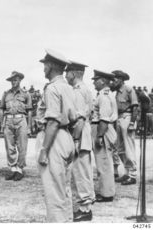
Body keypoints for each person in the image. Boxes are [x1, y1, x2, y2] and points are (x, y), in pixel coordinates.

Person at [35, 50, 77, 222]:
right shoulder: (68, 87)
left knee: (53, 192)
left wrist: (44, 150)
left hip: (53, 139)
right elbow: (74, 118)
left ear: (51, 66)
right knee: (64, 189)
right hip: (66, 136)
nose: (43, 68)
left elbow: (52, 121)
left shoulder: (52, 88)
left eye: (45, 64)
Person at [65, 60, 95, 222]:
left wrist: (75, 139)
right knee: (84, 171)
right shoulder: (84, 89)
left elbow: (80, 119)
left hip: (80, 134)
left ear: (74, 73)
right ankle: (86, 205)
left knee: (80, 172)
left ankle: (85, 209)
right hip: (83, 133)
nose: (65, 75)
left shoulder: (77, 91)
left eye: (67, 72)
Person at [91, 70, 117, 202]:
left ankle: (107, 194)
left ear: (102, 81)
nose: (94, 82)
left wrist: (100, 136)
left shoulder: (104, 96)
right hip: (104, 128)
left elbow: (104, 118)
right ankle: (106, 191)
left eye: (95, 80)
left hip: (103, 129)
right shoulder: (104, 94)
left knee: (104, 162)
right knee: (104, 161)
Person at [0, 71, 32, 181]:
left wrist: (29, 126)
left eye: (16, 80)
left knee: (22, 146)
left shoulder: (25, 94)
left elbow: (30, 111)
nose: (14, 82)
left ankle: (20, 169)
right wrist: (2, 123)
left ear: (20, 80)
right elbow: (2, 108)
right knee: (9, 146)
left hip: (21, 119)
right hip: (8, 121)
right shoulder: (6, 94)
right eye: (12, 80)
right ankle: (13, 169)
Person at [111, 70, 138, 185]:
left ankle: (132, 174)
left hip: (127, 117)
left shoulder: (128, 89)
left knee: (129, 147)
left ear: (121, 79)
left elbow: (135, 107)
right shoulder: (117, 92)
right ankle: (126, 173)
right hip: (119, 118)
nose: (114, 81)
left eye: (116, 78)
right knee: (120, 148)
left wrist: (132, 122)